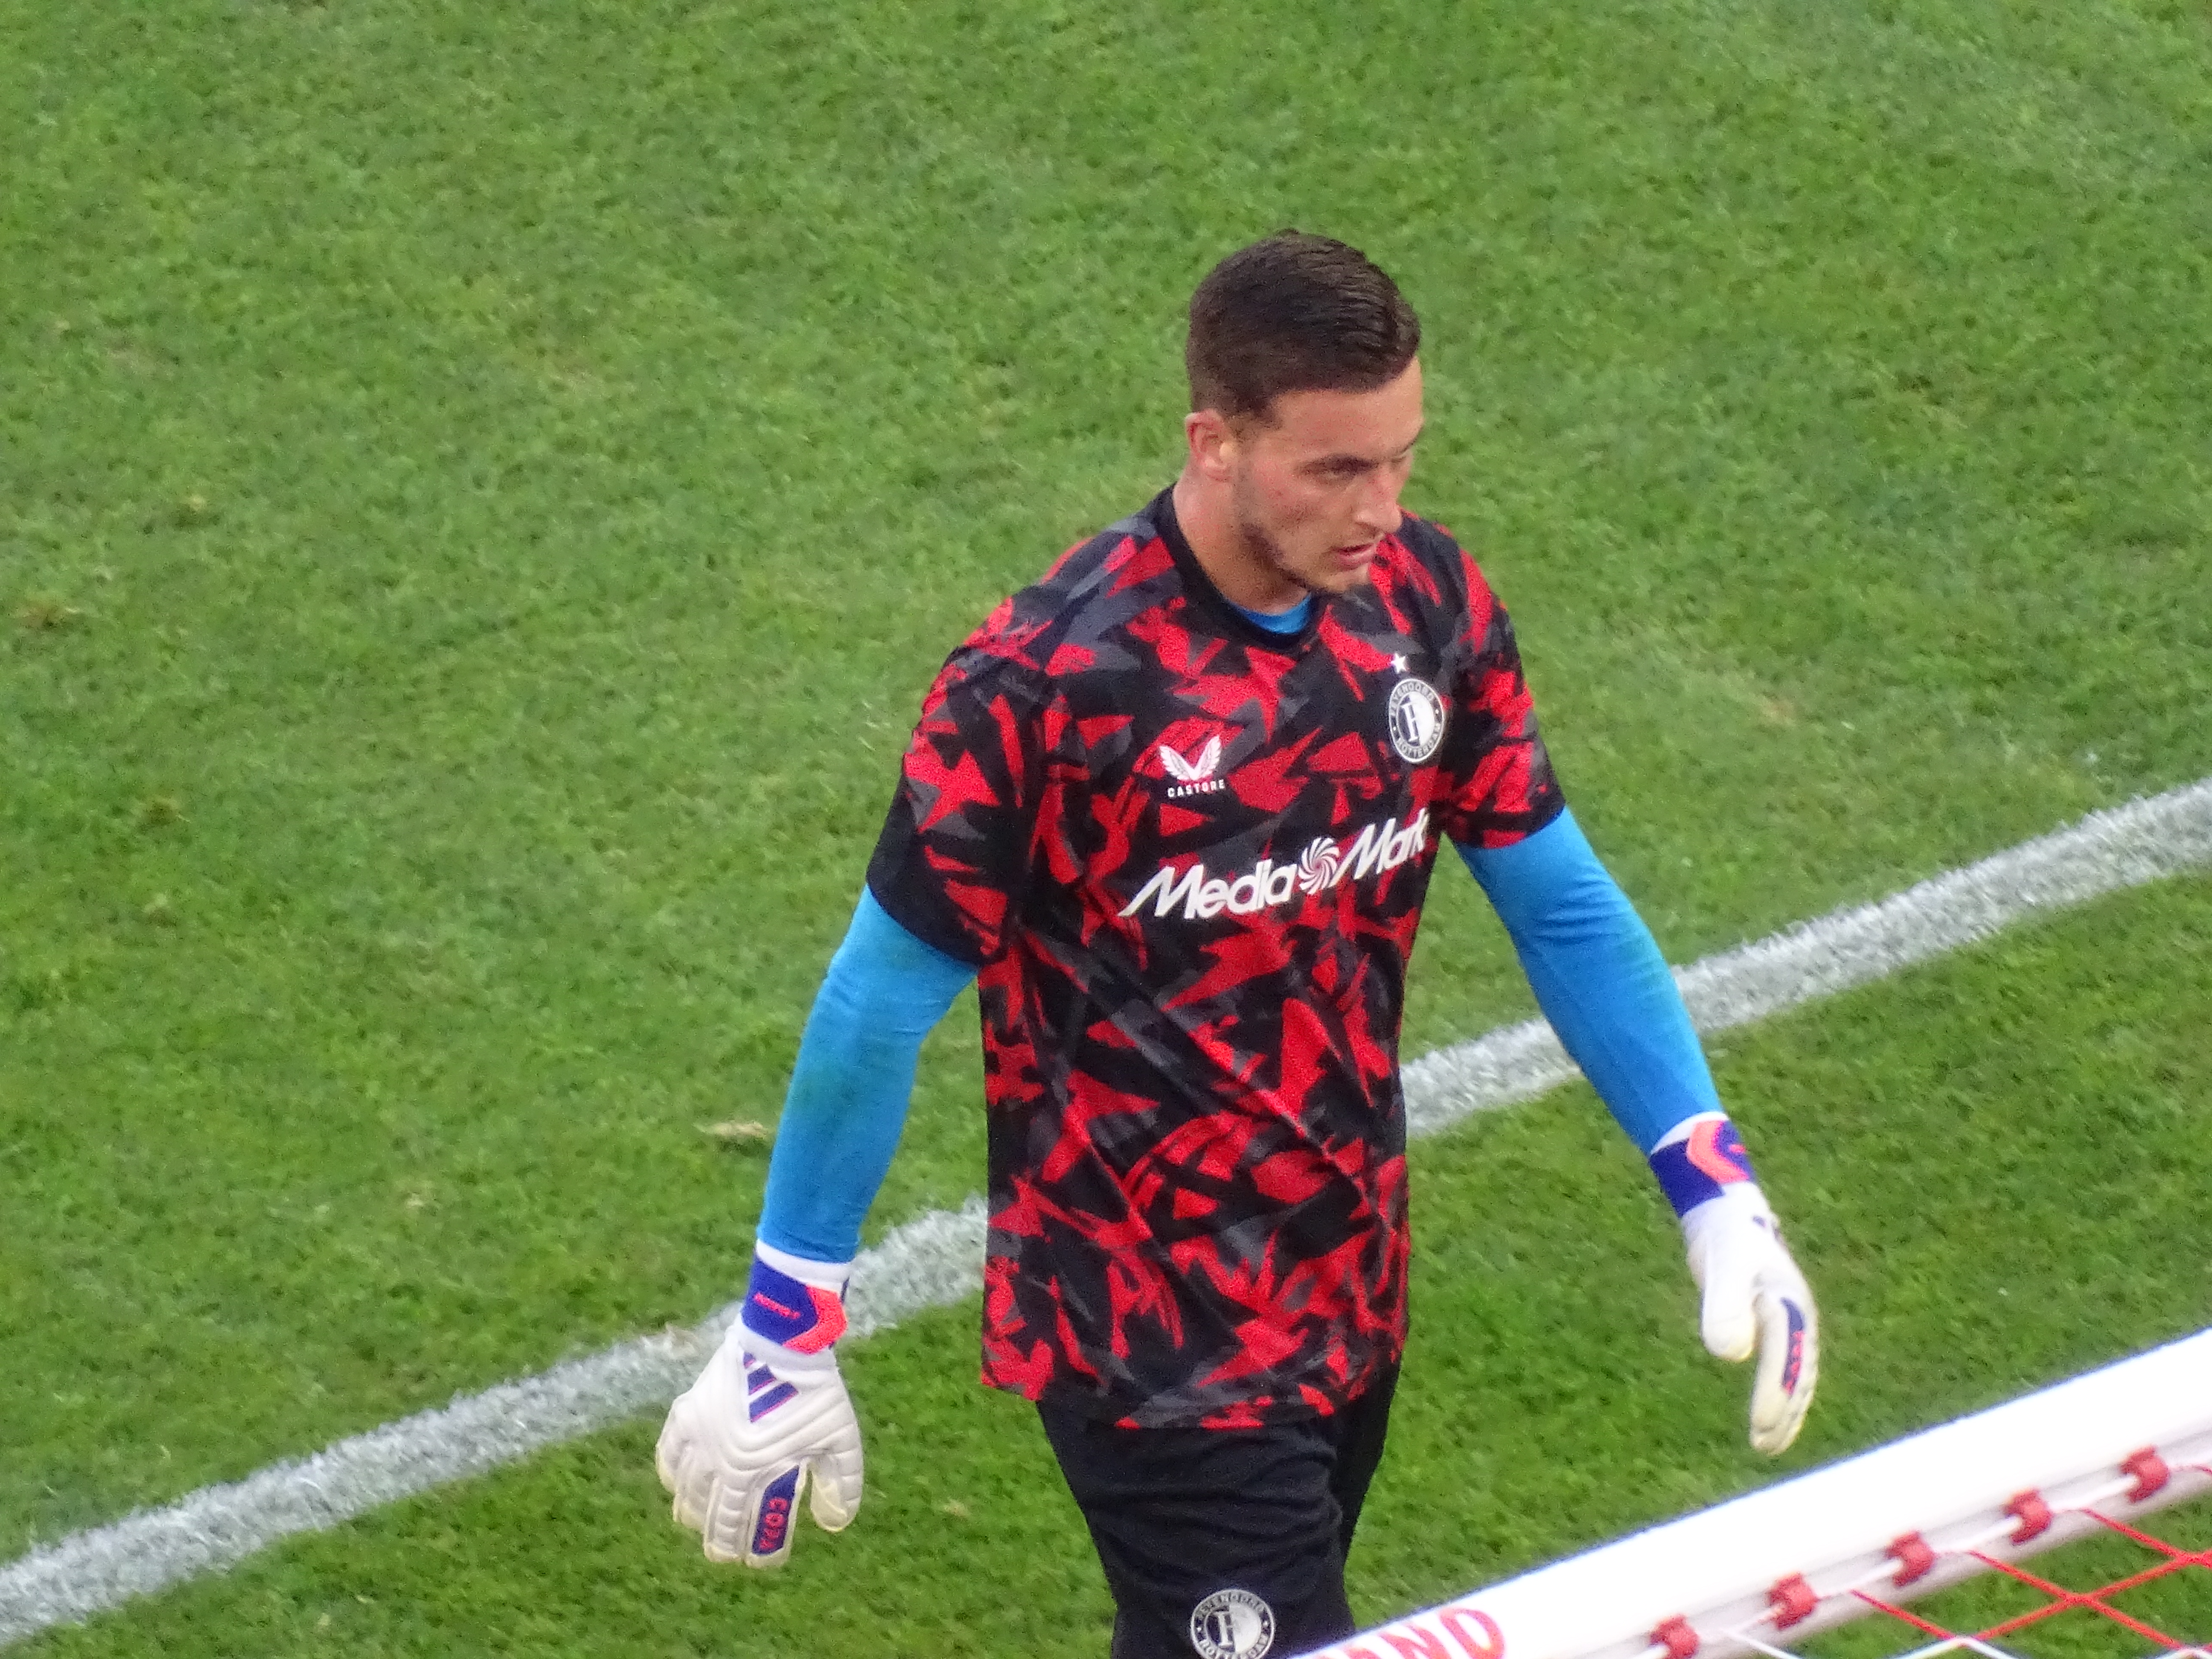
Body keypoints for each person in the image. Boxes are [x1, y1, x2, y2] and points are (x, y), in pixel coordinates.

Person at [655, 231, 1819, 1659]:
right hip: (1146, 1331)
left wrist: (1714, 1185)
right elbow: (877, 1002)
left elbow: (1558, 899)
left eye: (1401, 460)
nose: (1381, 507)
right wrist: (786, 1321)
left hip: (1350, 1278)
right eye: (1334, 470)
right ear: (1214, 443)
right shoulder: (1048, 684)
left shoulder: (1425, 608)